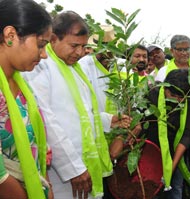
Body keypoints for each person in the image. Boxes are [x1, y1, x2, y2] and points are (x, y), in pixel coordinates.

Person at [23, 11, 131, 199]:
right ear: (54, 39)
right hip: (62, 171)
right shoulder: (40, 66)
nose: (80, 53)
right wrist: (72, 168)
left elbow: (81, 112)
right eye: (74, 46)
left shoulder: (74, 68)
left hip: (84, 161)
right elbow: (47, 121)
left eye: (83, 46)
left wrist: (108, 120)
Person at [0, 0, 53, 198]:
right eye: (41, 45)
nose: (45, 55)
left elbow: (35, 143)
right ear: (11, 35)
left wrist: (44, 184)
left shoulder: (22, 86)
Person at [156, 35, 190, 199]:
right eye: (180, 49)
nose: (185, 53)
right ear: (172, 51)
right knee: (177, 175)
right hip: (173, 132)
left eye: (188, 48)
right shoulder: (164, 71)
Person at [141, 68, 190, 198]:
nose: (178, 101)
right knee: (148, 188)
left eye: (182, 97)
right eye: (174, 96)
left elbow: (187, 135)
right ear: (165, 88)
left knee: (174, 188)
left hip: (175, 149)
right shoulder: (152, 94)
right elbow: (140, 124)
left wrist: (171, 167)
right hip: (149, 149)